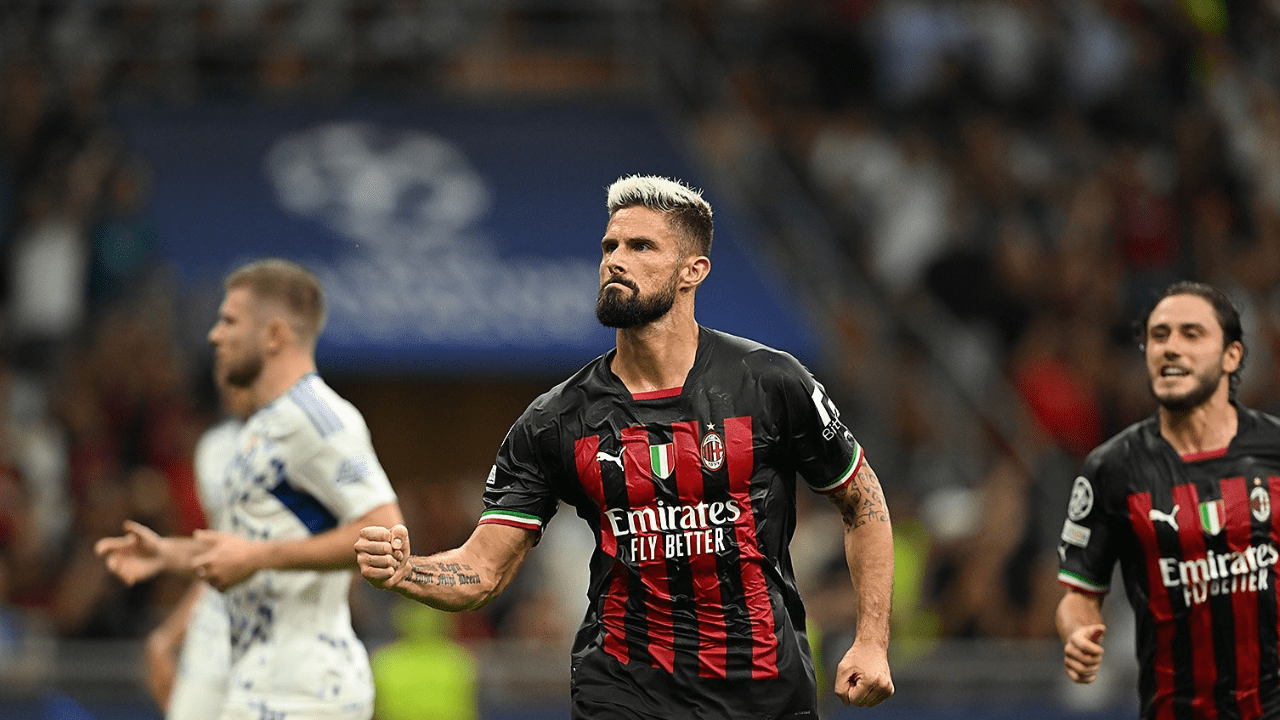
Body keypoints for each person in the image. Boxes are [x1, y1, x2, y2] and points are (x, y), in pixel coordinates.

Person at [356, 174, 895, 719]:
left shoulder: (770, 382)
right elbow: (484, 568)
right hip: (622, 692)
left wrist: (872, 641)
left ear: (692, 271)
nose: (615, 260)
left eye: (641, 247)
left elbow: (863, 502)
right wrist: (408, 572)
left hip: (763, 690)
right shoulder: (556, 419)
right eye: (609, 246)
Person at [96, 258, 403, 720]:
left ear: (274, 335)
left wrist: (258, 557)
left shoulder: (322, 419)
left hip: (307, 691)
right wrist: (166, 554)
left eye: (229, 321)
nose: (215, 335)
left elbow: (386, 535)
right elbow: (243, 546)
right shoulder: (261, 428)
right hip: (256, 681)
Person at [1056, 280, 1280, 719]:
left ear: (1232, 355)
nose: (1170, 348)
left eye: (1191, 334)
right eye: (1159, 336)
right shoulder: (1112, 468)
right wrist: (1078, 633)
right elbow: (1079, 593)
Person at [141, 379, 252, 719]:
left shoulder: (311, 435)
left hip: (287, 643)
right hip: (216, 635)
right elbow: (220, 559)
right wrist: (167, 636)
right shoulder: (214, 449)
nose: (225, 374)